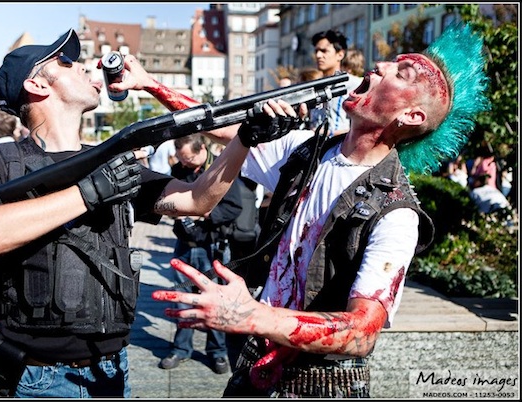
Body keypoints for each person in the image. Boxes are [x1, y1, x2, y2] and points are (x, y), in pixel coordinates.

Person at [149, 22, 490, 397]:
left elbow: (362, 332)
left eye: (400, 73)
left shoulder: (397, 214)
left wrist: (251, 315)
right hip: (255, 368)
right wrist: (148, 82)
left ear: (411, 116)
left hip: (321, 385)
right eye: (389, 62)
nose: (379, 66)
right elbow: (220, 126)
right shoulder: (307, 150)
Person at [0, 28, 300, 398]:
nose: (86, 67)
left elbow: (197, 201)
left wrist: (244, 139)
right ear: (38, 86)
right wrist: (89, 192)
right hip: (32, 375)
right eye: (67, 62)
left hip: (110, 371)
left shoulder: (112, 160)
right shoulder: (1, 161)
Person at [159, 134, 243, 375]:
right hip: (184, 244)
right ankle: (180, 348)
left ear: (202, 149)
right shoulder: (177, 169)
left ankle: (217, 352)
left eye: (191, 158)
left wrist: (204, 213)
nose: (186, 164)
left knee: (214, 298)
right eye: (183, 159)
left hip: (210, 245)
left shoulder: (220, 169)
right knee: (182, 298)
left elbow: (235, 207)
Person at [311, 29, 363, 137]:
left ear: (340, 54)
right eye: (316, 51)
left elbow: (364, 127)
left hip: (341, 149)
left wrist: (328, 133)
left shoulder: (356, 84)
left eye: (324, 51)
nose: (318, 55)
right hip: (315, 148)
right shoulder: (313, 86)